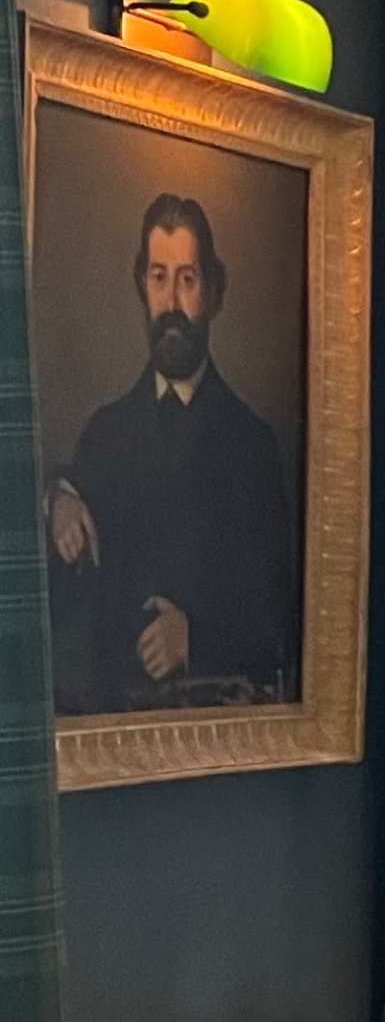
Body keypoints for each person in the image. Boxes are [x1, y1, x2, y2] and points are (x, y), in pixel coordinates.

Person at [45, 194, 297, 709]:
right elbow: (65, 610)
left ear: (214, 292)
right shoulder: (105, 433)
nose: (173, 304)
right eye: (159, 277)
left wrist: (195, 639)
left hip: (214, 745)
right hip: (109, 743)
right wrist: (57, 504)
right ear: (142, 285)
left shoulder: (254, 446)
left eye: (188, 278)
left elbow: (281, 624)